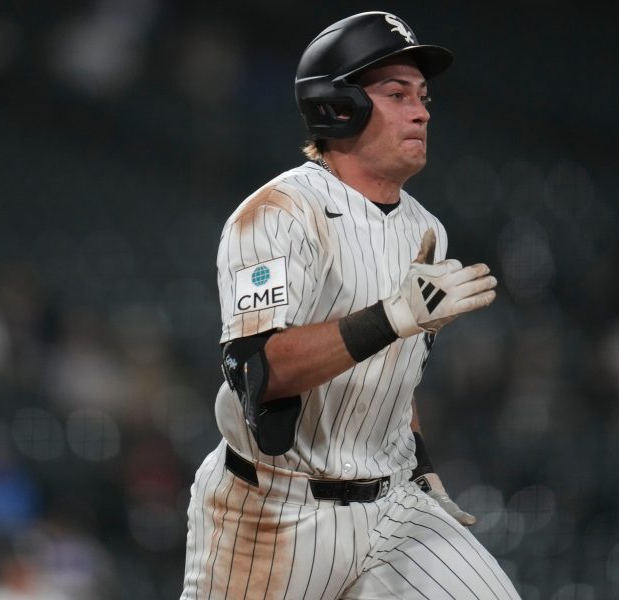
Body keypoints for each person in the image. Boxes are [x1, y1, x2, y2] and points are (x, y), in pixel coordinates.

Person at [181, 11, 521, 600]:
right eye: (397, 94)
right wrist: (390, 318)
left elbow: (393, 378)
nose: (421, 112)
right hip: (273, 512)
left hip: (393, 507)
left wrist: (420, 462)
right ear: (339, 107)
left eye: (423, 97)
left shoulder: (428, 230)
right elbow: (259, 370)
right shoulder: (279, 214)